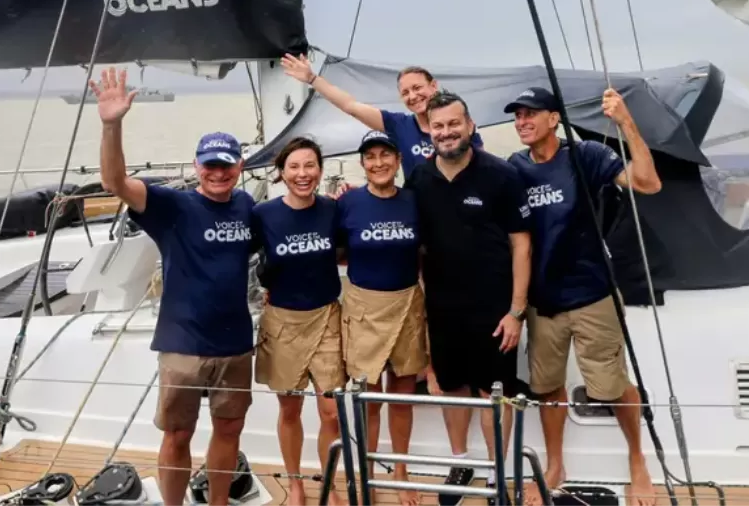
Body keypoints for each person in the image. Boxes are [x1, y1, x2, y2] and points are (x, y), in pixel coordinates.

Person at [91, 67, 255, 506]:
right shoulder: (173, 205)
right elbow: (115, 182)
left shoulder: (246, 206)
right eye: (210, 165)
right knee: (178, 434)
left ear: (240, 167)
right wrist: (112, 124)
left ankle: (219, 503)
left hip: (237, 344)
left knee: (229, 430)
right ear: (196, 166)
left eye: (227, 164)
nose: (218, 173)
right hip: (183, 345)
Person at [504, 86, 662, 506]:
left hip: (592, 294)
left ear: (554, 118)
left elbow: (648, 182)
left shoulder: (586, 155)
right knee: (547, 387)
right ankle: (555, 464)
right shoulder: (514, 168)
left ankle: (637, 459)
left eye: (531, 113)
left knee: (613, 387)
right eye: (517, 116)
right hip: (542, 301)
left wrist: (625, 122)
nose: (522, 121)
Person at [405, 90, 531, 506]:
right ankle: (459, 462)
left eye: (453, 124)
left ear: (470, 126)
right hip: (443, 308)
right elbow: (417, 247)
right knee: (454, 389)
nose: (446, 132)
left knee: (495, 392)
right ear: (430, 131)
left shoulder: (501, 174)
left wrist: (516, 311)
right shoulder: (420, 178)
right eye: (438, 126)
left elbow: (521, 245)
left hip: (496, 311)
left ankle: (499, 476)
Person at [251, 137, 346, 506]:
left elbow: (346, 248)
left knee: (331, 414)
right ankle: (294, 483)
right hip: (283, 322)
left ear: (320, 170)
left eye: (310, 166)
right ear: (282, 172)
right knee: (289, 409)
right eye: (294, 167)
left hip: (326, 317)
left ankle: (330, 483)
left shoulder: (331, 210)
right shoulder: (263, 215)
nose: (302, 174)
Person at [336, 129, 428, 506]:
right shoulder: (348, 204)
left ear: (398, 160)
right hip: (363, 307)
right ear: (362, 163)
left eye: (385, 155)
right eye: (370, 157)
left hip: (407, 302)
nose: (378, 163)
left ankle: (401, 472)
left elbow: (425, 251)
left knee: (402, 397)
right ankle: (369, 474)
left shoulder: (414, 201)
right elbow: (336, 250)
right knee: (370, 399)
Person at [279, 53, 484, 179]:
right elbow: (351, 106)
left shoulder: (457, 127)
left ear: (433, 86)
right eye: (405, 92)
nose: (413, 96)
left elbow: (482, 166)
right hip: (422, 215)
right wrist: (312, 78)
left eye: (417, 88)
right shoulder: (399, 125)